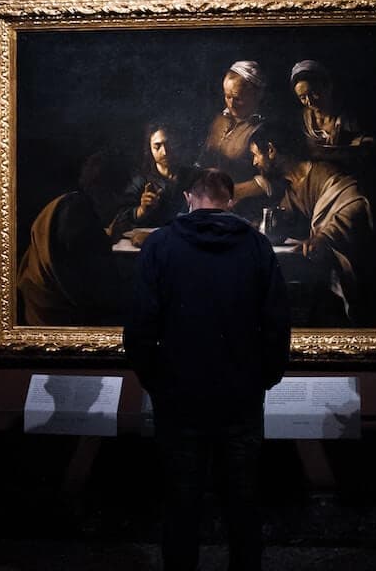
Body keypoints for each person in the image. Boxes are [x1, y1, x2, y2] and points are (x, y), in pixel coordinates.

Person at [125, 168, 291, 571]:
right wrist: (262, 379)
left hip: (179, 398)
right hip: (240, 397)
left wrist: (157, 381)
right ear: (230, 201)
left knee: (181, 505)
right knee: (243, 504)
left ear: (188, 198)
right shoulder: (255, 246)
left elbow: (140, 326)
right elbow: (277, 324)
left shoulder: (161, 245)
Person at [249, 121, 376, 325]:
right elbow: (283, 217)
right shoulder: (292, 188)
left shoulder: (324, 174)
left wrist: (324, 237)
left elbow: (355, 205)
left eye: (256, 154)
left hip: (356, 277)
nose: (254, 162)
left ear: (271, 150)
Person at [16, 150, 129, 326]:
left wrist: (109, 238)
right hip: (55, 314)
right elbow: (95, 280)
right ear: (107, 190)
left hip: (38, 303)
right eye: (118, 195)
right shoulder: (78, 214)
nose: (117, 203)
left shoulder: (68, 202)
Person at [110, 121, 191, 238]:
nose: (164, 152)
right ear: (149, 148)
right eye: (157, 146)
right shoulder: (141, 180)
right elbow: (121, 215)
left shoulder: (192, 176)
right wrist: (141, 210)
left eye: (169, 145)